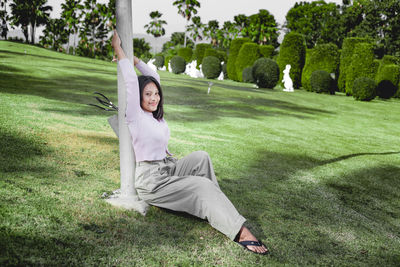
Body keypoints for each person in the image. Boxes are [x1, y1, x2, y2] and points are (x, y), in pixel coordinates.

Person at [111, 30, 268, 255]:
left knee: (201, 157)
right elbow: (129, 80)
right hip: (151, 182)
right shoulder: (135, 114)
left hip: (167, 167)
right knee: (201, 185)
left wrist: (134, 58)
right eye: (148, 94)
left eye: (156, 93)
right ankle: (239, 231)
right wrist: (119, 50)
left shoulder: (156, 115)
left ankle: (218, 208)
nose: (154, 98)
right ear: (139, 96)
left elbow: (152, 75)